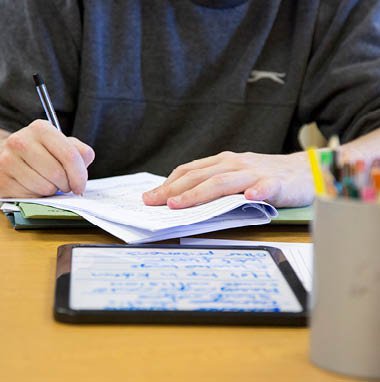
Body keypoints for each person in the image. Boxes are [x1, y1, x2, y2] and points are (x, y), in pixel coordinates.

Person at [0, 1, 379, 208]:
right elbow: (7, 140)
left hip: (258, 248)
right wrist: (9, 165)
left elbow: (374, 179)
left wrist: (319, 174)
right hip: (64, 249)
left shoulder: (340, 8)